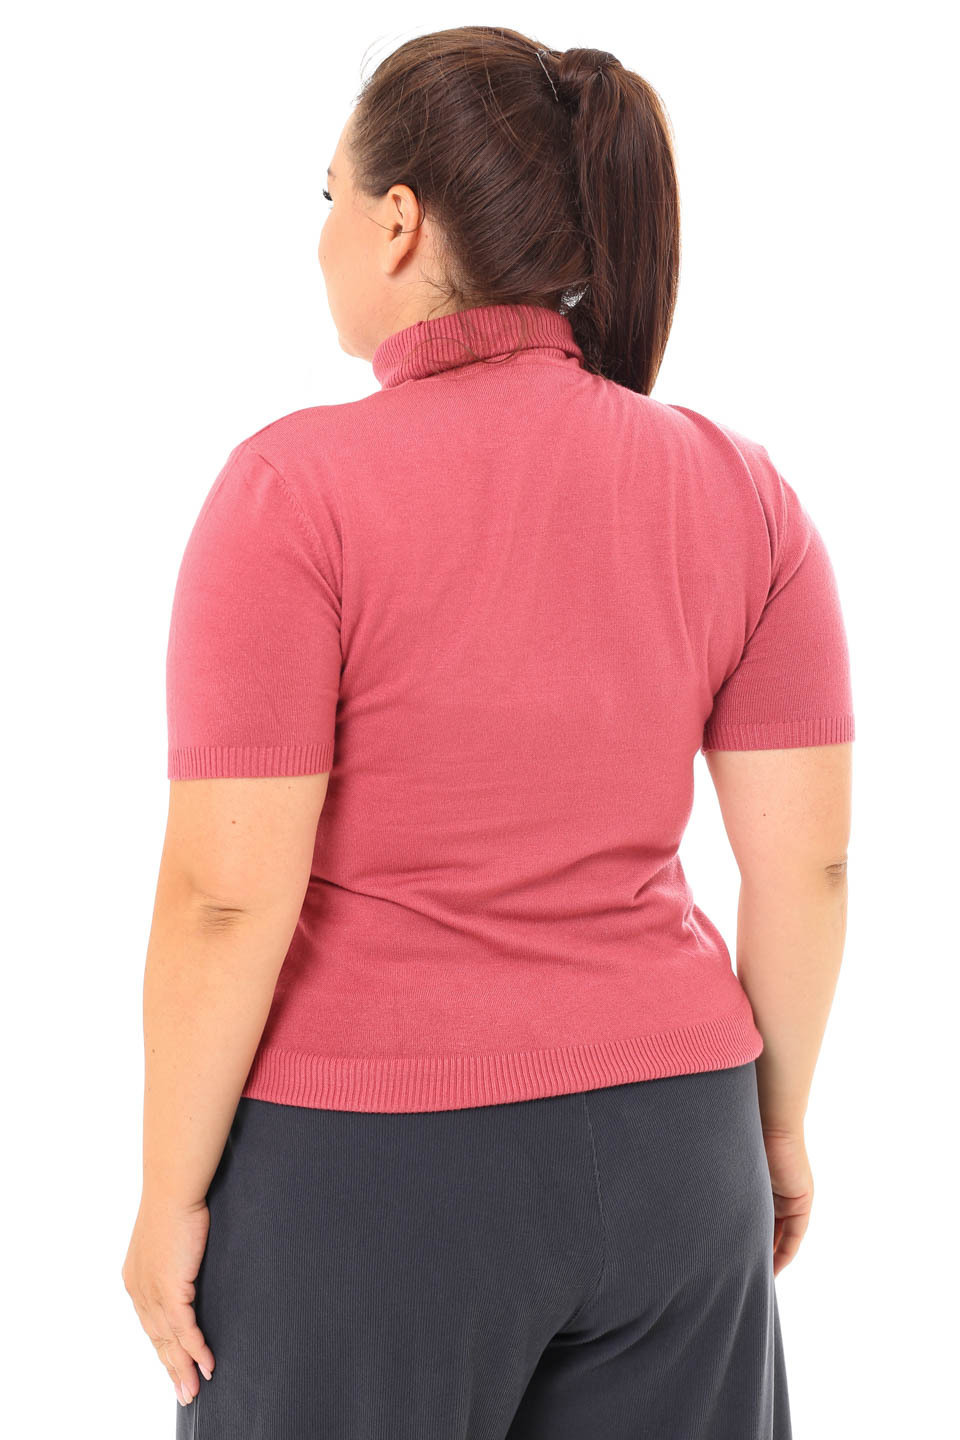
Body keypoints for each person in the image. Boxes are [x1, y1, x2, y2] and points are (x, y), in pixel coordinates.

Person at [121, 25, 854, 1440]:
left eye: (328, 196)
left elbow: (224, 894)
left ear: (398, 222)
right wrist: (772, 1126)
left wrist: (167, 1196)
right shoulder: (744, 493)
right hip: (679, 1150)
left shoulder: (292, 493)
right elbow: (808, 868)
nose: (321, 235)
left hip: (369, 1170)